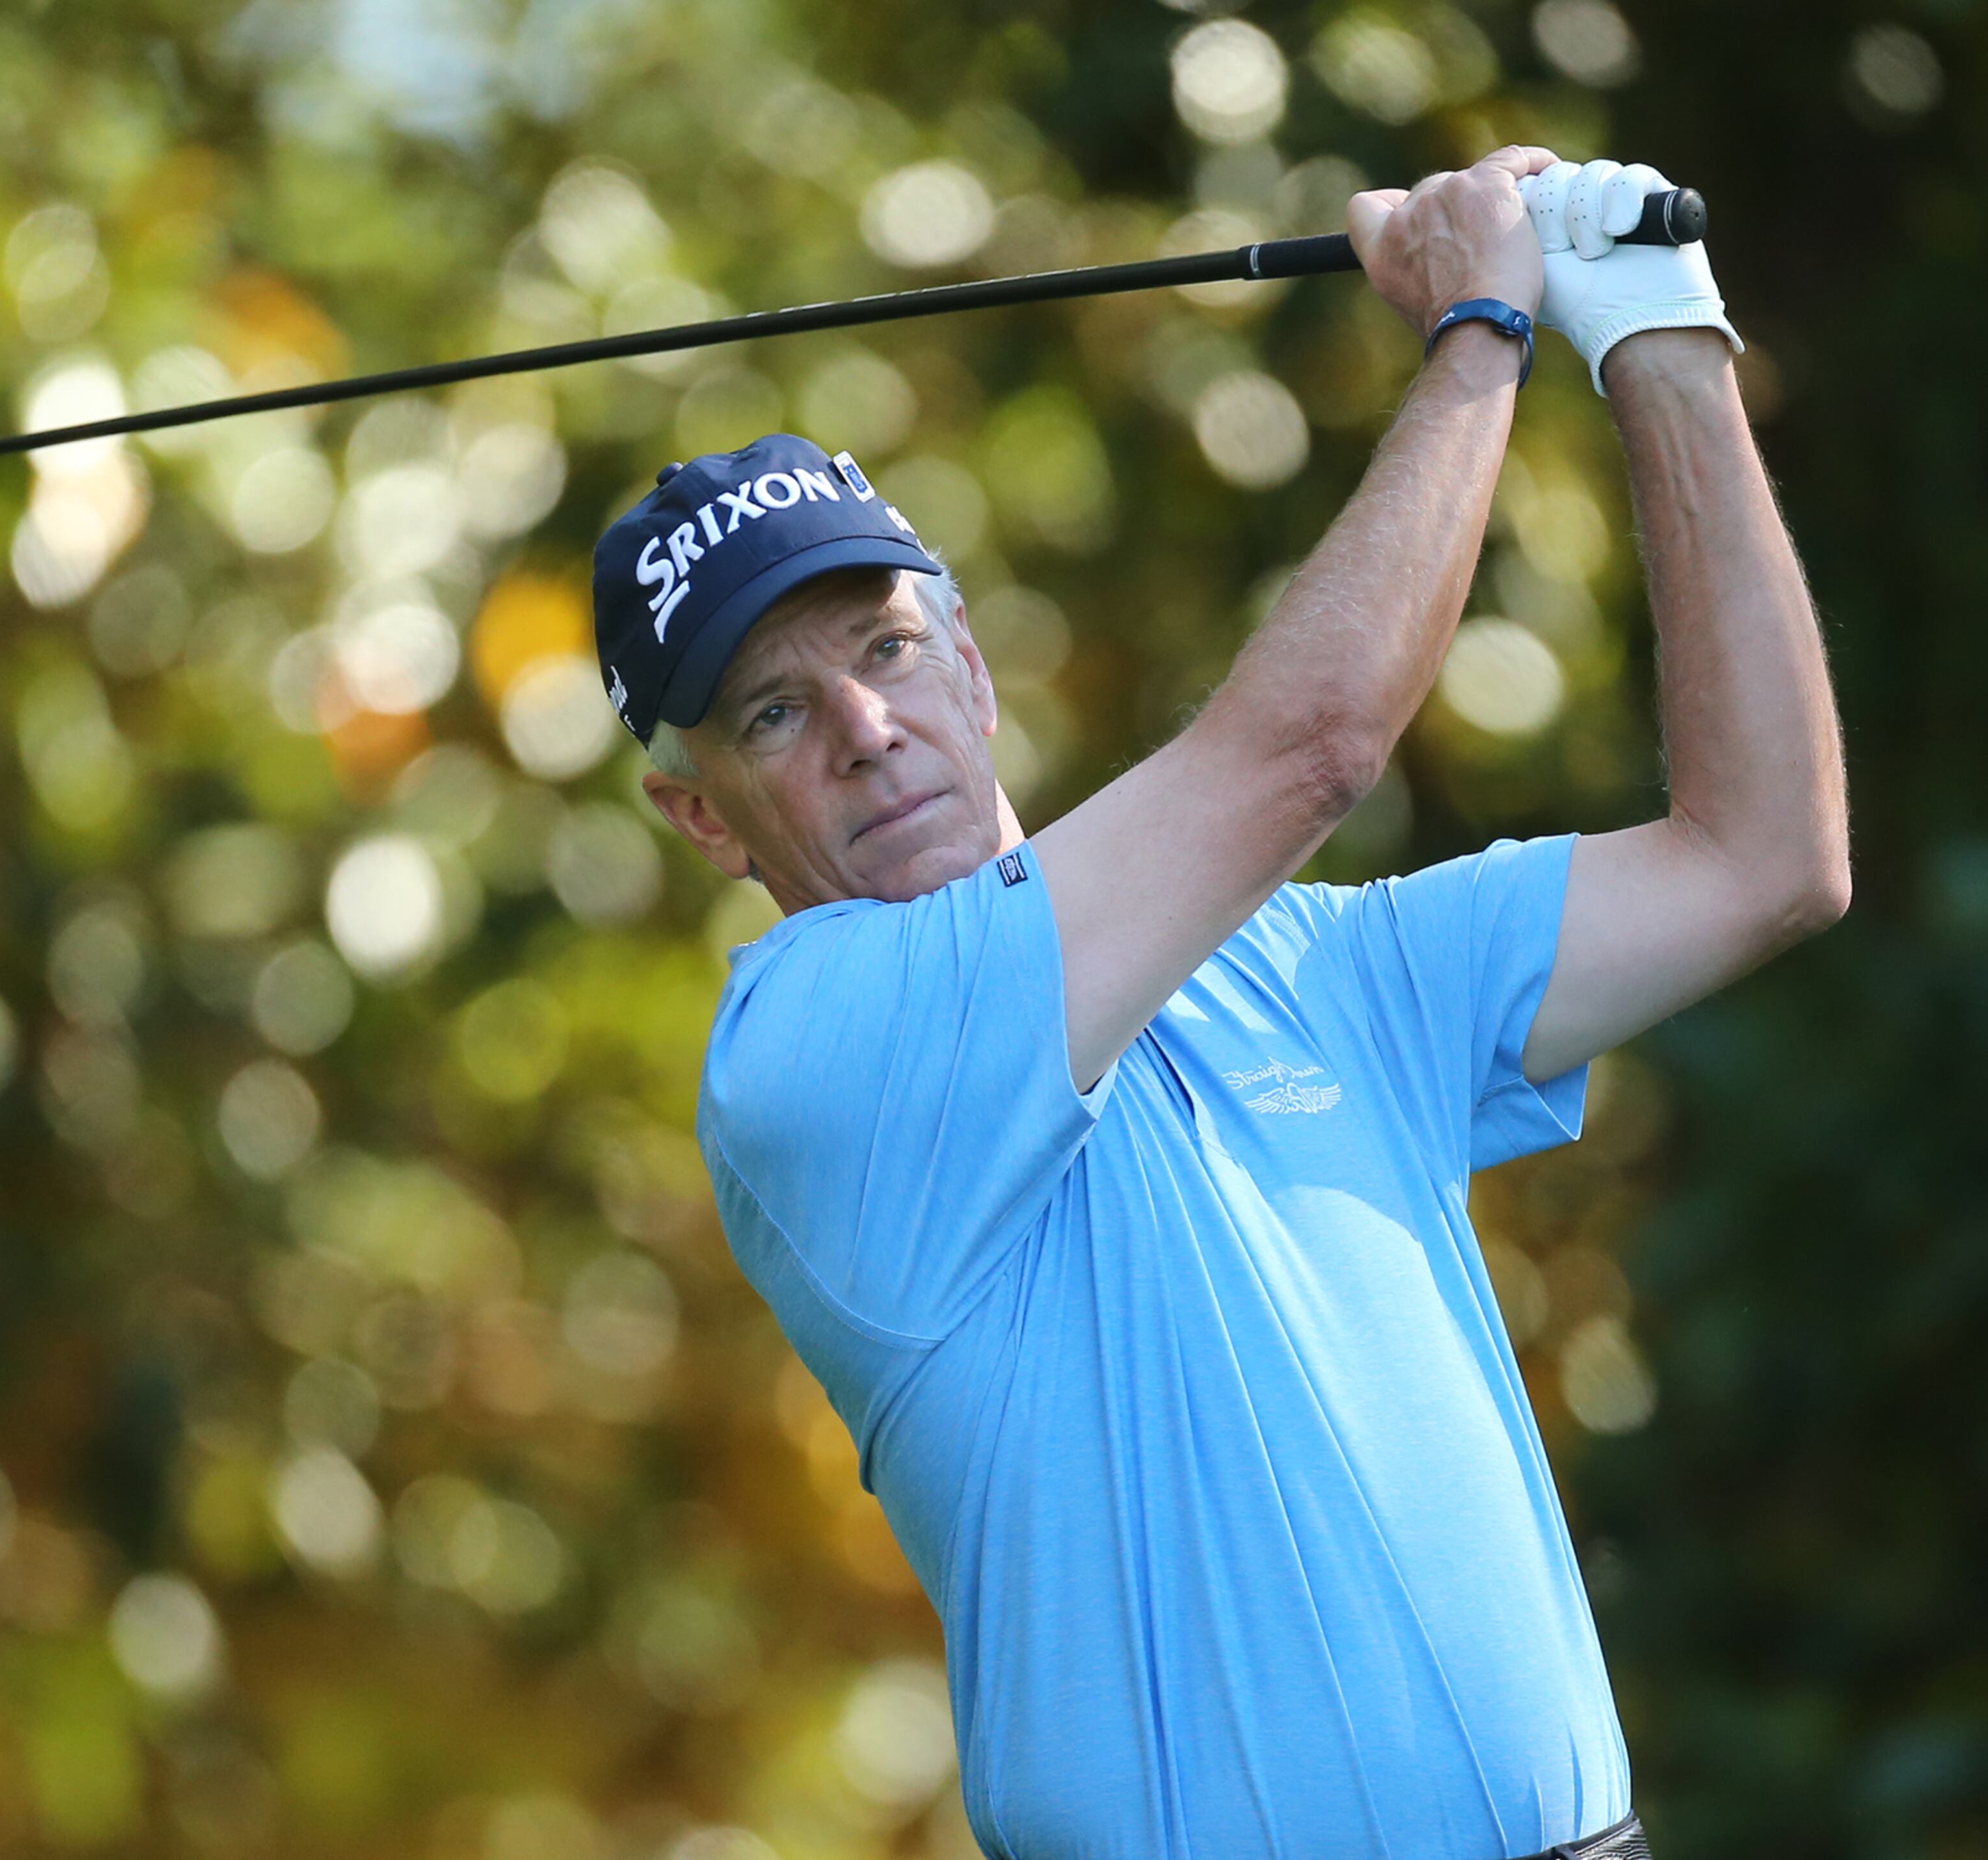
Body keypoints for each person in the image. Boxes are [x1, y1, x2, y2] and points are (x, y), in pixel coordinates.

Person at [588, 148, 1847, 1860]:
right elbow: (1311, 744)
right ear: (700, 816)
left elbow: (1764, 854)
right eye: (770, 718)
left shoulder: (1308, 961)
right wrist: (1483, 327)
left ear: (965, 655)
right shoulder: (812, 1060)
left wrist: (1656, 329)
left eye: (881, 651)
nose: (866, 731)